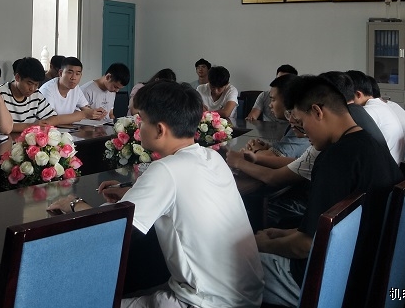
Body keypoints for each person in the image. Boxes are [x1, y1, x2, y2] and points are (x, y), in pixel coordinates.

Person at [49, 81, 263, 308]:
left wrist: (73, 203)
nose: (138, 127)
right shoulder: (212, 157)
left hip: (204, 302)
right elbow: (182, 195)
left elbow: (107, 229)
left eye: (141, 120)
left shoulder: (166, 170)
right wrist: (132, 192)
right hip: (245, 294)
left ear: (160, 130)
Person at [256, 75, 401, 307]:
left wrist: (262, 244)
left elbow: (306, 246)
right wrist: (283, 234)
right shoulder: (370, 143)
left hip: (330, 281)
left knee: (233, 263)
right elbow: (327, 228)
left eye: (302, 122)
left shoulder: (334, 159)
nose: (304, 133)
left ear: (317, 111)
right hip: (364, 265)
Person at [346, 69, 405, 162]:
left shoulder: (368, 111)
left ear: (358, 94)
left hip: (387, 167)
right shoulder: (381, 105)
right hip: (393, 163)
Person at [244, 74, 309, 159]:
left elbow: (275, 158)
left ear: (288, 100)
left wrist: (256, 150)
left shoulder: (300, 127)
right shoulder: (293, 125)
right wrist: (268, 148)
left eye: (273, 100)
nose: (270, 105)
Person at [38, 57, 105, 124]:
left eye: (77, 74)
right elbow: (48, 121)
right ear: (60, 73)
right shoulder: (47, 90)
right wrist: (83, 114)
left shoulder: (76, 88)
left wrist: (95, 114)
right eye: (70, 73)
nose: (73, 78)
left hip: (67, 128)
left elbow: (85, 108)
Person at [0, 57, 56, 132]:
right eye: (29, 83)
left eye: (36, 84)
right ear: (17, 77)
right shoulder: (0, 94)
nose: (32, 89)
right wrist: (31, 126)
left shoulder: (36, 94)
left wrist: (44, 124)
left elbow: (52, 117)